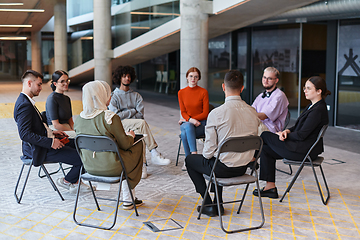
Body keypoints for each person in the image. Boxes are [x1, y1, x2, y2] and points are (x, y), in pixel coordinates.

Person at [185, 70, 261, 217]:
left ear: (223, 87)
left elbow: (207, 153)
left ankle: (207, 203)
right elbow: (260, 138)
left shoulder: (216, 114)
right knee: (218, 158)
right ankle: (218, 202)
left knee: (191, 160)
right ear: (242, 88)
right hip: (243, 168)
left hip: (222, 169)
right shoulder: (253, 112)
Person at [13, 70, 92, 194]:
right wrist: (50, 142)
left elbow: (35, 128)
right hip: (38, 149)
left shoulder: (27, 102)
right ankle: (68, 181)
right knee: (83, 158)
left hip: (44, 143)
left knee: (80, 145)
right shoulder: (24, 105)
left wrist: (53, 133)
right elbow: (25, 134)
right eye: (39, 84)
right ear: (29, 83)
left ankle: (74, 180)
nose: (41, 88)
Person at [253, 76, 330, 199]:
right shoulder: (312, 106)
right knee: (266, 150)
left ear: (319, 91)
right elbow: (299, 126)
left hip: (303, 151)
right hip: (301, 147)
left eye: (309, 88)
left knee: (265, 135)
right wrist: (287, 130)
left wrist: (283, 135)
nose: (305, 90)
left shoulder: (318, 110)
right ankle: (270, 188)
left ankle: (251, 160)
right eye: (305, 88)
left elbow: (302, 134)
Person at [74, 80, 144, 210]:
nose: (110, 96)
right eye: (107, 93)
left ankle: (129, 199)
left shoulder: (79, 119)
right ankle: (128, 199)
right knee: (137, 145)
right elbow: (125, 144)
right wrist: (131, 136)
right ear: (100, 96)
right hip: (113, 167)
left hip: (89, 167)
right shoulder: (110, 118)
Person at [108, 65, 170, 179]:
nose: (127, 78)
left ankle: (142, 165)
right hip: (120, 125)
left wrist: (125, 113)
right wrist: (132, 111)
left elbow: (140, 114)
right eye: (124, 76)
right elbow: (116, 116)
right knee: (141, 124)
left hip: (134, 125)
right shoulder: (114, 96)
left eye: (129, 76)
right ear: (119, 78)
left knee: (139, 130)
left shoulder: (137, 96)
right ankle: (154, 152)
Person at [178, 67, 209, 171]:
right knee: (188, 127)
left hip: (201, 124)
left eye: (196, 77)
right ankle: (194, 156)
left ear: (198, 78)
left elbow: (205, 113)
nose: (193, 79)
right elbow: (183, 112)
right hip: (188, 124)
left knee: (184, 133)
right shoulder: (181, 93)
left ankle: (188, 160)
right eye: (191, 76)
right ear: (187, 77)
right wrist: (190, 120)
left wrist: (189, 119)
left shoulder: (203, 92)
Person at [252, 67, 289, 134]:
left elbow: (263, 116)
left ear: (276, 80)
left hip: (270, 131)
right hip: (258, 127)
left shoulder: (279, 95)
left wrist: (247, 114)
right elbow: (252, 110)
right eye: (264, 77)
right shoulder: (261, 95)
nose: (265, 81)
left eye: (269, 78)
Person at [46, 70, 76, 138]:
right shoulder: (52, 99)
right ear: (55, 84)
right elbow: (56, 125)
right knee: (79, 137)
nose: (66, 83)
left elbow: (70, 121)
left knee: (83, 134)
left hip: (67, 128)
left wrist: (74, 129)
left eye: (67, 80)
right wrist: (72, 131)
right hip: (57, 130)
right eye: (62, 81)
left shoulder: (67, 98)